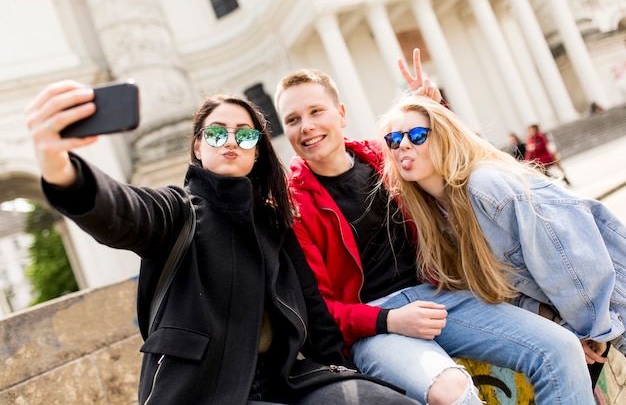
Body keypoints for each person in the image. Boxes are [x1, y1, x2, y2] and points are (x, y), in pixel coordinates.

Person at [23, 80, 424, 405]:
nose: (230, 140)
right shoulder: (178, 212)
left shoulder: (274, 221)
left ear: (257, 151)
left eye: (244, 134)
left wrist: (350, 369)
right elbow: (123, 211)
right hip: (204, 390)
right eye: (216, 132)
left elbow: (316, 317)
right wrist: (60, 169)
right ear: (198, 146)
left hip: (285, 382)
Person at [274, 49, 596, 405]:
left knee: (561, 349)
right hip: (376, 326)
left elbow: (452, 165)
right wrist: (389, 320)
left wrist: (434, 113)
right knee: (452, 392)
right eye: (292, 120)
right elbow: (321, 308)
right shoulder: (293, 205)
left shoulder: (386, 157)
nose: (307, 126)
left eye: (316, 111)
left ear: (341, 114)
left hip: (442, 298)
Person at [377, 93, 626, 379]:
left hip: (613, 311)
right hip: (588, 327)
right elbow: (506, 290)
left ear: (445, 137)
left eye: (418, 135)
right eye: (394, 140)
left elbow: (567, 256)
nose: (403, 144)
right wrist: (560, 327)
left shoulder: (484, 185)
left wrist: (587, 330)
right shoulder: (438, 218)